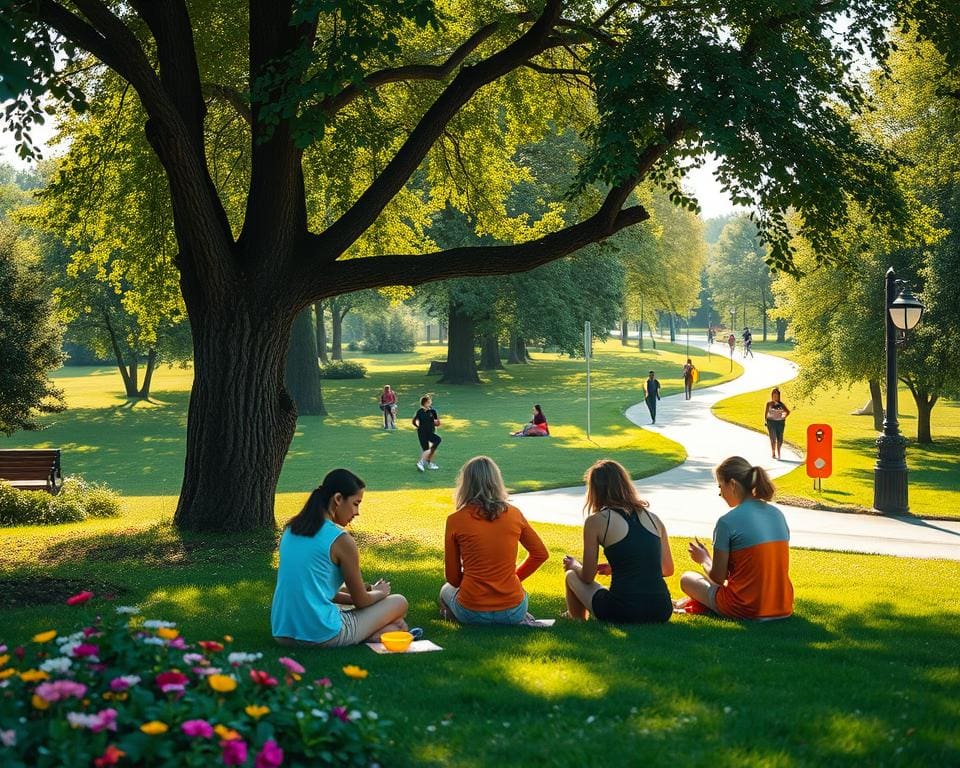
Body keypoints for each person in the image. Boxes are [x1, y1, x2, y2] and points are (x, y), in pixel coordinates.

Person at [271, 469, 412, 646]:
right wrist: (381, 592)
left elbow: (318, 590)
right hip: (321, 635)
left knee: (345, 605)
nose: (357, 512)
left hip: (283, 633)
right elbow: (361, 601)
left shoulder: (291, 529)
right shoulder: (340, 539)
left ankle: (376, 631)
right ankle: (375, 633)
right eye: (355, 503)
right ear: (338, 499)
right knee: (399, 602)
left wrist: (366, 592)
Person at [677, 456, 794, 620]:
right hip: (783, 606)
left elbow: (718, 577)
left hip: (745, 608)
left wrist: (703, 559)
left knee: (687, 578)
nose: (720, 493)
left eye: (720, 486)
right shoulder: (777, 514)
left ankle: (699, 602)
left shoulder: (726, 522)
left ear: (732, 484)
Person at [439, 456, 549, 624]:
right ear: (497, 481)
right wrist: (512, 578)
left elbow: (453, 579)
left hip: (472, 610)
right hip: (513, 610)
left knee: (445, 591)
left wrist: (476, 586)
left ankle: (453, 617)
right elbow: (540, 554)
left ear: (465, 484)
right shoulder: (514, 514)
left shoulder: (455, 520)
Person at [562, 459, 674, 623]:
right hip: (662, 609)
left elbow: (587, 576)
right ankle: (573, 615)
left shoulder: (596, 521)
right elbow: (667, 569)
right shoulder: (654, 519)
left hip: (623, 610)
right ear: (625, 483)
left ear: (595, 490)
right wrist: (618, 567)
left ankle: (577, 619)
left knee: (572, 575)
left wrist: (574, 565)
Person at [413, 394, 441, 471]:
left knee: (437, 440)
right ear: (425, 403)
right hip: (422, 433)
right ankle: (426, 463)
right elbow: (414, 421)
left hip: (430, 432)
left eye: (430, 401)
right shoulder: (420, 412)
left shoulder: (433, 411)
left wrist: (436, 422)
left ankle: (424, 463)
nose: (430, 403)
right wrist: (418, 427)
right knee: (426, 449)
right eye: (429, 402)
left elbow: (438, 423)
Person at [763, 387, 791, 459]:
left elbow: (788, 412)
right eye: (774, 394)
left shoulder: (781, 404)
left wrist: (783, 417)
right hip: (771, 422)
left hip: (780, 423)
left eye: (776, 394)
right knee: (773, 438)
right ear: (772, 395)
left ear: (779, 395)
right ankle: (774, 453)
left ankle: (779, 452)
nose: (775, 396)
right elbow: (766, 414)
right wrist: (765, 421)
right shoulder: (769, 404)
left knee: (780, 439)